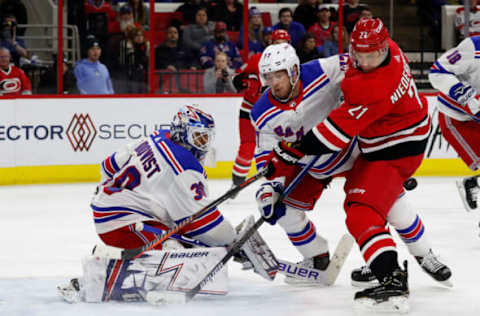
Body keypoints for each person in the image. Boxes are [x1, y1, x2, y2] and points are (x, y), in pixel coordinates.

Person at [261, 18, 438, 311]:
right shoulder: (390, 48)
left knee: (363, 209)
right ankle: (388, 260)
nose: (367, 62)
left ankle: (394, 277)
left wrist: (294, 149)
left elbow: (333, 133)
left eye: (373, 56)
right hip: (388, 138)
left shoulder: (374, 85)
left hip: (394, 148)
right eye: (362, 55)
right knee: (370, 200)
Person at [56, 105, 274, 304]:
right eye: (198, 137)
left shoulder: (157, 136)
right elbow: (199, 222)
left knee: (192, 248)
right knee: (178, 253)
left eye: (205, 138)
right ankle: (101, 281)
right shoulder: (184, 164)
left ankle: (122, 265)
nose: (203, 145)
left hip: (116, 212)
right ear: (182, 133)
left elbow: (108, 166)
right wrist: (231, 240)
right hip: (123, 223)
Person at [230, 29, 292, 193]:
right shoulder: (257, 59)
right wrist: (244, 83)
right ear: (271, 44)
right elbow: (237, 78)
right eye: (278, 44)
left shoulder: (293, 65)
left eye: (284, 44)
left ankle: (278, 184)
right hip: (250, 110)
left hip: (275, 114)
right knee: (247, 147)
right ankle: (236, 185)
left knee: (279, 148)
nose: (281, 48)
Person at [428, 36, 480, 216]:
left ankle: (474, 181)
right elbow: (437, 71)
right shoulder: (473, 47)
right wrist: (467, 98)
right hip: (458, 119)